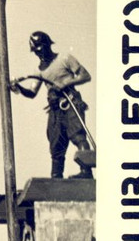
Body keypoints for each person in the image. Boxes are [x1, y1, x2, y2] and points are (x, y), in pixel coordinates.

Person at [11, 31, 94, 179]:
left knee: (78, 136)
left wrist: (65, 83)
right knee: (56, 145)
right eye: (35, 51)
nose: (38, 54)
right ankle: (56, 178)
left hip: (70, 103)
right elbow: (32, 92)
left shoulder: (65, 58)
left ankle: (86, 171)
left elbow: (85, 75)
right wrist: (18, 88)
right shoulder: (39, 70)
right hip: (55, 109)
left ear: (47, 45)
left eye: (40, 49)